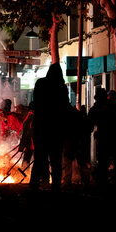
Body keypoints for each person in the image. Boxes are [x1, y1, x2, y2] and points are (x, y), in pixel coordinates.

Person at [29, 63, 70, 193]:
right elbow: (64, 107)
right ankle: (55, 188)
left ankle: (33, 187)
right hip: (56, 130)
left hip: (40, 128)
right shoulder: (61, 87)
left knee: (39, 160)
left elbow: (36, 103)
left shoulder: (40, 83)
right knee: (56, 161)